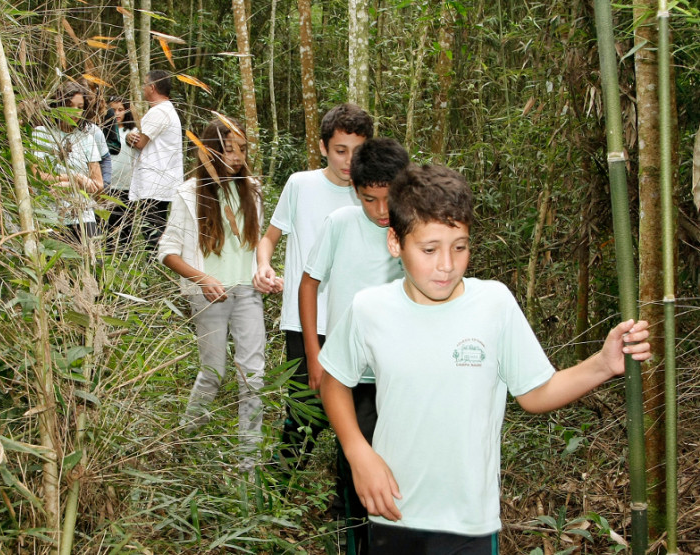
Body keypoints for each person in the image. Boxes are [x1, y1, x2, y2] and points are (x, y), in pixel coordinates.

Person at [319, 163, 652, 553]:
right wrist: (359, 453)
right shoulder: (369, 308)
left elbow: (535, 393)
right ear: (395, 242)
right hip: (393, 512)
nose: (446, 264)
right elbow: (333, 380)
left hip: (469, 523)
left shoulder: (493, 303)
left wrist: (602, 364)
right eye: (429, 249)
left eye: (459, 247)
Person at [298, 137, 408, 555]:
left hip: (400, 374)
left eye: (389, 199)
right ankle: (355, 541)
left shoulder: (416, 229)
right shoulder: (341, 224)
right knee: (355, 464)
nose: (381, 211)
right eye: (369, 199)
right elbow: (309, 285)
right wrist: (315, 354)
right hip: (348, 374)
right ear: (354, 191)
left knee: (398, 462)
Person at [251, 103, 374, 470]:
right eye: (340, 150)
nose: (349, 160)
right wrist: (263, 266)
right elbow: (269, 238)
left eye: (357, 151)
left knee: (359, 418)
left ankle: (347, 511)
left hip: (355, 323)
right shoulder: (300, 185)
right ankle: (275, 494)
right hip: (303, 321)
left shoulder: (373, 195)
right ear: (323, 147)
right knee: (304, 413)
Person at [158, 118, 267, 473]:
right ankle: (183, 444)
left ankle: (248, 466)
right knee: (213, 372)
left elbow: (254, 246)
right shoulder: (189, 193)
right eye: (228, 149)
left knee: (254, 377)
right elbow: (167, 250)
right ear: (210, 151)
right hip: (208, 296)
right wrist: (201, 278)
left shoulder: (252, 188)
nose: (236, 156)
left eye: (242, 149)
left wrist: (264, 274)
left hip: (248, 293)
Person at [31, 81, 104, 243]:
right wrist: (75, 178)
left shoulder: (87, 138)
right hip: (50, 214)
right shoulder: (42, 133)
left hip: (83, 214)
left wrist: (71, 182)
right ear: (59, 105)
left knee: (90, 265)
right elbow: (36, 176)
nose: (75, 112)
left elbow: (98, 185)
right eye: (70, 106)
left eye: (80, 107)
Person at [128, 69, 183, 250]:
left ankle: (157, 264)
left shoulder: (159, 112)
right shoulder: (167, 111)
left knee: (152, 229)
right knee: (156, 225)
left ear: (152, 87)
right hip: (163, 180)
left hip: (155, 181)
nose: (143, 89)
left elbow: (141, 143)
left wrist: (129, 137)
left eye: (145, 85)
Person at [105, 97, 136, 251]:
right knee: (107, 225)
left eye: (120, 110)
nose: (117, 113)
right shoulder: (105, 132)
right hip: (108, 185)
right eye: (113, 110)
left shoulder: (132, 132)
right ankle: (108, 256)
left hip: (126, 186)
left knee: (125, 225)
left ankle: (126, 256)